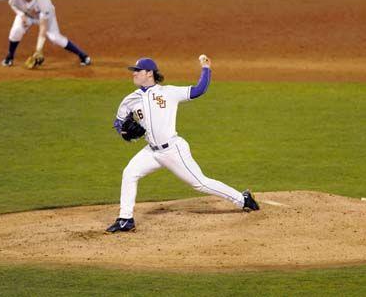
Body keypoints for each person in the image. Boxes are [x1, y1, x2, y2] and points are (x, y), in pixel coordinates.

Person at [106, 55, 260, 233]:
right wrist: (124, 132)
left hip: (173, 150)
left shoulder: (168, 92)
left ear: (149, 73)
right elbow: (118, 123)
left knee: (200, 183)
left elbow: (199, 90)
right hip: (151, 151)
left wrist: (206, 68)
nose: (133, 74)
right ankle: (126, 219)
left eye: (137, 71)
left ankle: (243, 199)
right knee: (130, 173)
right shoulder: (130, 99)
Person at [1, 0, 92, 68]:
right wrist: (21, 15)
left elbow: (43, 27)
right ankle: (10, 57)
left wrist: (38, 49)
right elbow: (12, 4)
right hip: (27, 15)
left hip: (46, 17)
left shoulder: (43, 1)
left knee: (55, 37)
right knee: (16, 30)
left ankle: (83, 56)